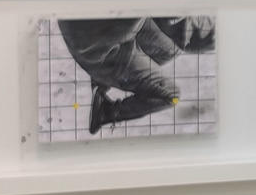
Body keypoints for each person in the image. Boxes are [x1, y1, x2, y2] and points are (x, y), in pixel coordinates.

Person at [57, 15, 214, 134]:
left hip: (110, 29)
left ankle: (103, 82)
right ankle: (107, 112)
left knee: (170, 50)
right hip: (104, 53)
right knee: (170, 95)